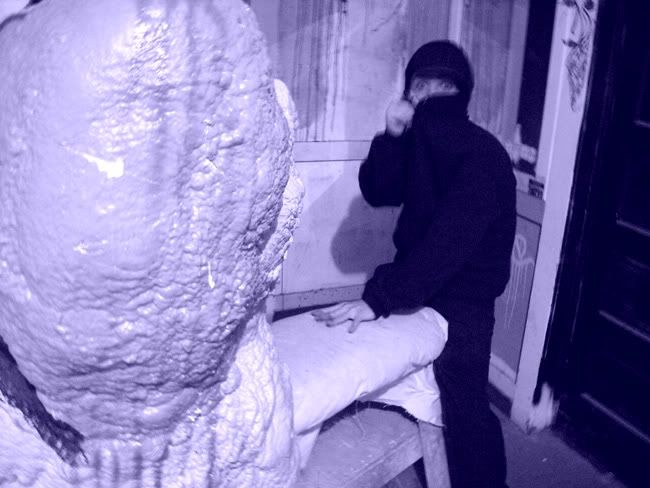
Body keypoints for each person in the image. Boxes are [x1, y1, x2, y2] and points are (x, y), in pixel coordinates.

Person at [313, 40, 516, 488]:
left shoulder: (482, 154)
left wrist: (380, 298)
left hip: (464, 301)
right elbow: (378, 190)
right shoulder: (418, 142)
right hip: (415, 283)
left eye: (440, 85)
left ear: (459, 92)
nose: (427, 94)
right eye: (419, 85)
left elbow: (448, 244)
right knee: (399, 377)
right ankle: (425, 455)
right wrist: (392, 135)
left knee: (465, 401)